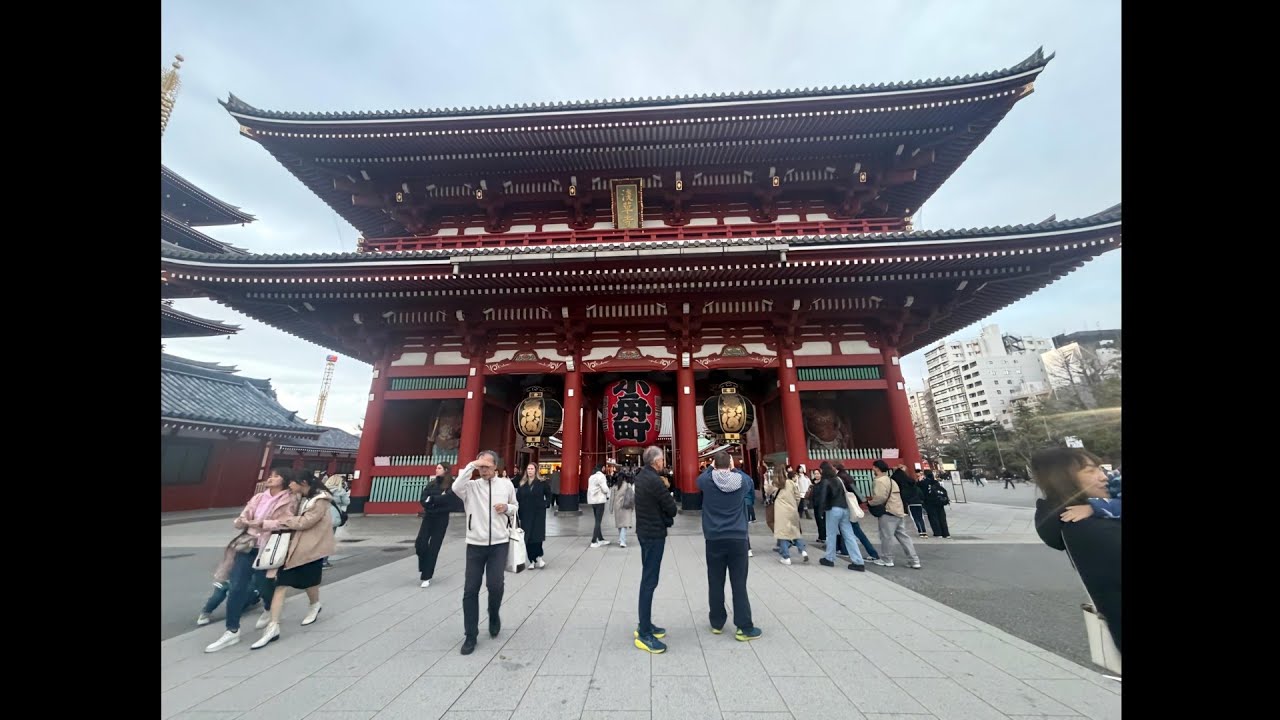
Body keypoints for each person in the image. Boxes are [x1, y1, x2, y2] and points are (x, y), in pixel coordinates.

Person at [1032, 448, 1121, 655]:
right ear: (1063, 479)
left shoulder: (1095, 520)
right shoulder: (1088, 527)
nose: (1103, 476)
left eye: (1100, 468)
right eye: (1090, 471)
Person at [204, 468, 298, 653]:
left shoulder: (290, 499)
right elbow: (244, 515)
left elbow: (289, 522)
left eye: (276, 476)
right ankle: (232, 630)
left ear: (285, 480)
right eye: (270, 475)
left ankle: (270, 608)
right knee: (236, 586)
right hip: (247, 545)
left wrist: (264, 524)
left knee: (264, 585)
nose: (271, 478)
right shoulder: (258, 497)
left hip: (268, 547)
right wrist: (241, 521)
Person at [252, 471, 338, 649]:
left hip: (310, 548)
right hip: (293, 548)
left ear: (303, 482)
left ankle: (314, 605)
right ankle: (273, 626)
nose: (289, 485)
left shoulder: (320, 500)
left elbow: (306, 522)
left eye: (291, 482)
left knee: (310, 583)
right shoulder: (298, 497)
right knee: (281, 584)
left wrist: (280, 521)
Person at [452, 450, 518, 656]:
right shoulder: (470, 488)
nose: (483, 470)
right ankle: (470, 634)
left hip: (499, 543)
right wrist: (471, 465)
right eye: (480, 467)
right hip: (475, 543)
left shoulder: (506, 485)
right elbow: (455, 486)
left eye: (487, 466)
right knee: (470, 589)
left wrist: (506, 507)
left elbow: (515, 507)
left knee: (495, 584)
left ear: (495, 467)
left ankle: (494, 613)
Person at [696, 452, 763, 640]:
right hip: (737, 537)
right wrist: (733, 468)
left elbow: (700, 478)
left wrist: (712, 467)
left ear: (714, 465)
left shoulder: (707, 482)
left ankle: (717, 623)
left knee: (715, 581)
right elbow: (749, 479)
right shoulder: (742, 482)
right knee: (739, 583)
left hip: (714, 538)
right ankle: (744, 627)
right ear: (731, 464)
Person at [633, 446, 678, 653]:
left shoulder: (641, 477)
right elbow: (672, 507)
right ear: (655, 461)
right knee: (649, 581)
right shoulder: (655, 481)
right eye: (662, 459)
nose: (663, 463)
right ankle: (644, 633)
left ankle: (645, 623)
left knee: (647, 577)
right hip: (654, 534)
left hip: (644, 532)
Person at [196, 531, 261, 626]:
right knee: (220, 593)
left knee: (246, 590)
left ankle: (245, 603)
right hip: (230, 573)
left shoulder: (242, 540)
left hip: (235, 573)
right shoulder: (249, 541)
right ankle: (206, 612)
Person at [867, 460, 922, 569]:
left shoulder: (879, 481)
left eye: (873, 467)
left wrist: (871, 502)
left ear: (876, 468)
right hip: (898, 510)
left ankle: (887, 559)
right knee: (903, 536)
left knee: (886, 536)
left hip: (888, 511)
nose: (873, 469)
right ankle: (914, 560)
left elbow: (880, 497)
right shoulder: (891, 480)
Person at [814, 461, 867, 571]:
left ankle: (829, 558)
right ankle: (858, 561)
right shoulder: (839, 480)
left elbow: (823, 497)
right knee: (849, 535)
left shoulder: (826, 481)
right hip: (844, 508)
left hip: (833, 509)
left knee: (831, 534)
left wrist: (820, 511)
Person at [415, 463, 454, 587]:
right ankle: (424, 565)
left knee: (434, 547)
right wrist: (435, 500)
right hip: (428, 516)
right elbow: (423, 499)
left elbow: (448, 500)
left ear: (446, 470)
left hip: (441, 518)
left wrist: (432, 500)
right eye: (437, 468)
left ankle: (426, 576)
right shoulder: (431, 483)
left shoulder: (450, 485)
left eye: (439, 468)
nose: (436, 470)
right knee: (420, 543)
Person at [836, 464, 881, 561]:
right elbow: (856, 491)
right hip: (850, 505)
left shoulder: (840, 478)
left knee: (855, 530)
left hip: (845, 506)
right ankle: (845, 550)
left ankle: (872, 553)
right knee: (847, 528)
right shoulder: (848, 477)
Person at [516, 463, 553, 568]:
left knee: (537, 536)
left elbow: (549, 494)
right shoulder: (522, 483)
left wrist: (546, 503)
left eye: (532, 469)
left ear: (536, 470)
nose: (530, 471)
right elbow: (517, 497)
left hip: (538, 512)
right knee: (528, 537)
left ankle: (539, 557)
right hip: (525, 512)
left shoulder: (542, 482)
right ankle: (531, 560)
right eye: (528, 469)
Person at [770, 469, 808, 565]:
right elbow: (798, 496)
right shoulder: (791, 483)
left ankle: (786, 557)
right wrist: (794, 505)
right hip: (792, 510)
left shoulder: (775, 484)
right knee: (795, 531)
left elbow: (768, 492)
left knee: (783, 534)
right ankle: (803, 550)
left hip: (781, 512)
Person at [587, 459, 615, 548]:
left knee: (597, 520)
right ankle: (594, 541)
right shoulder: (601, 476)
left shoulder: (591, 477)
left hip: (592, 500)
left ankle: (600, 538)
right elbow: (605, 488)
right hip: (599, 500)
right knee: (598, 521)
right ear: (602, 468)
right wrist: (608, 494)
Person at [918, 469, 951, 538]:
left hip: (930, 502)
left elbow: (920, 491)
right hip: (939, 502)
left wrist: (919, 481)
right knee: (942, 517)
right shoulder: (936, 482)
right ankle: (946, 533)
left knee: (933, 518)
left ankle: (938, 533)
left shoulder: (923, 482)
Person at [897, 466, 928, 538]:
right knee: (921, 518)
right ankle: (924, 531)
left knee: (915, 518)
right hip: (919, 504)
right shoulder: (917, 488)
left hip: (911, 504)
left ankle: (920, 532)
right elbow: (922, 496)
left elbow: (904, 497)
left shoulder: (906, 490)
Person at [612, 467, 636, 548]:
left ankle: (620, 538)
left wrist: (611, 508)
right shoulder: (627, 485)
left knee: (619, 524)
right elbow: (631, 496)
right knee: (624, 524)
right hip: (625, 506)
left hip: (617, 506)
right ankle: (622, 541)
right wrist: (633, 506)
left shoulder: (615, 486)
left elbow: (612, 498)